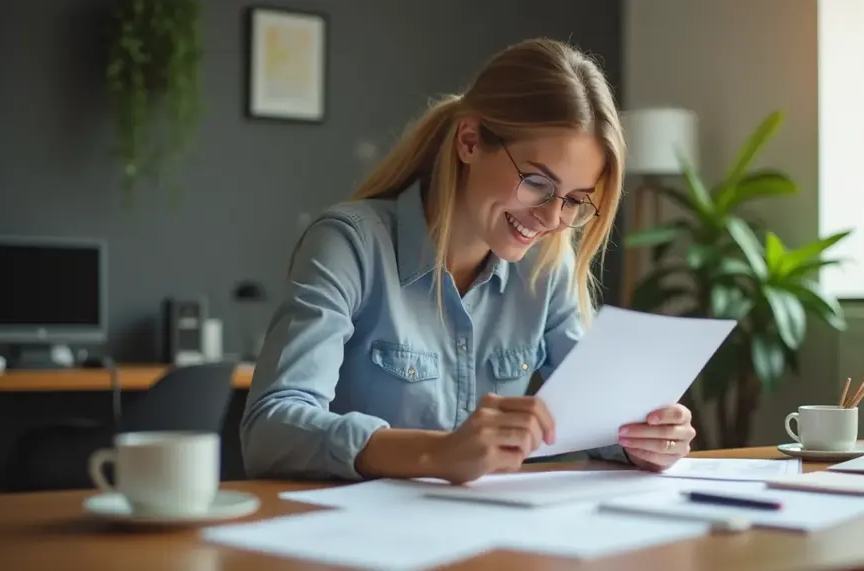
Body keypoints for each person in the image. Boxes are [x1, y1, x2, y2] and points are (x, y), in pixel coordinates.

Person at [240, 38, 696, 485]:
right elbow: (270, 429)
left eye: (575, 200)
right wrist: (436, 452)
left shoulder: (546, 269)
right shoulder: (350, 245)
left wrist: (647, 436)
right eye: (537, 182)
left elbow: (601, 412)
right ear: (471, 141)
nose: (552, 218)